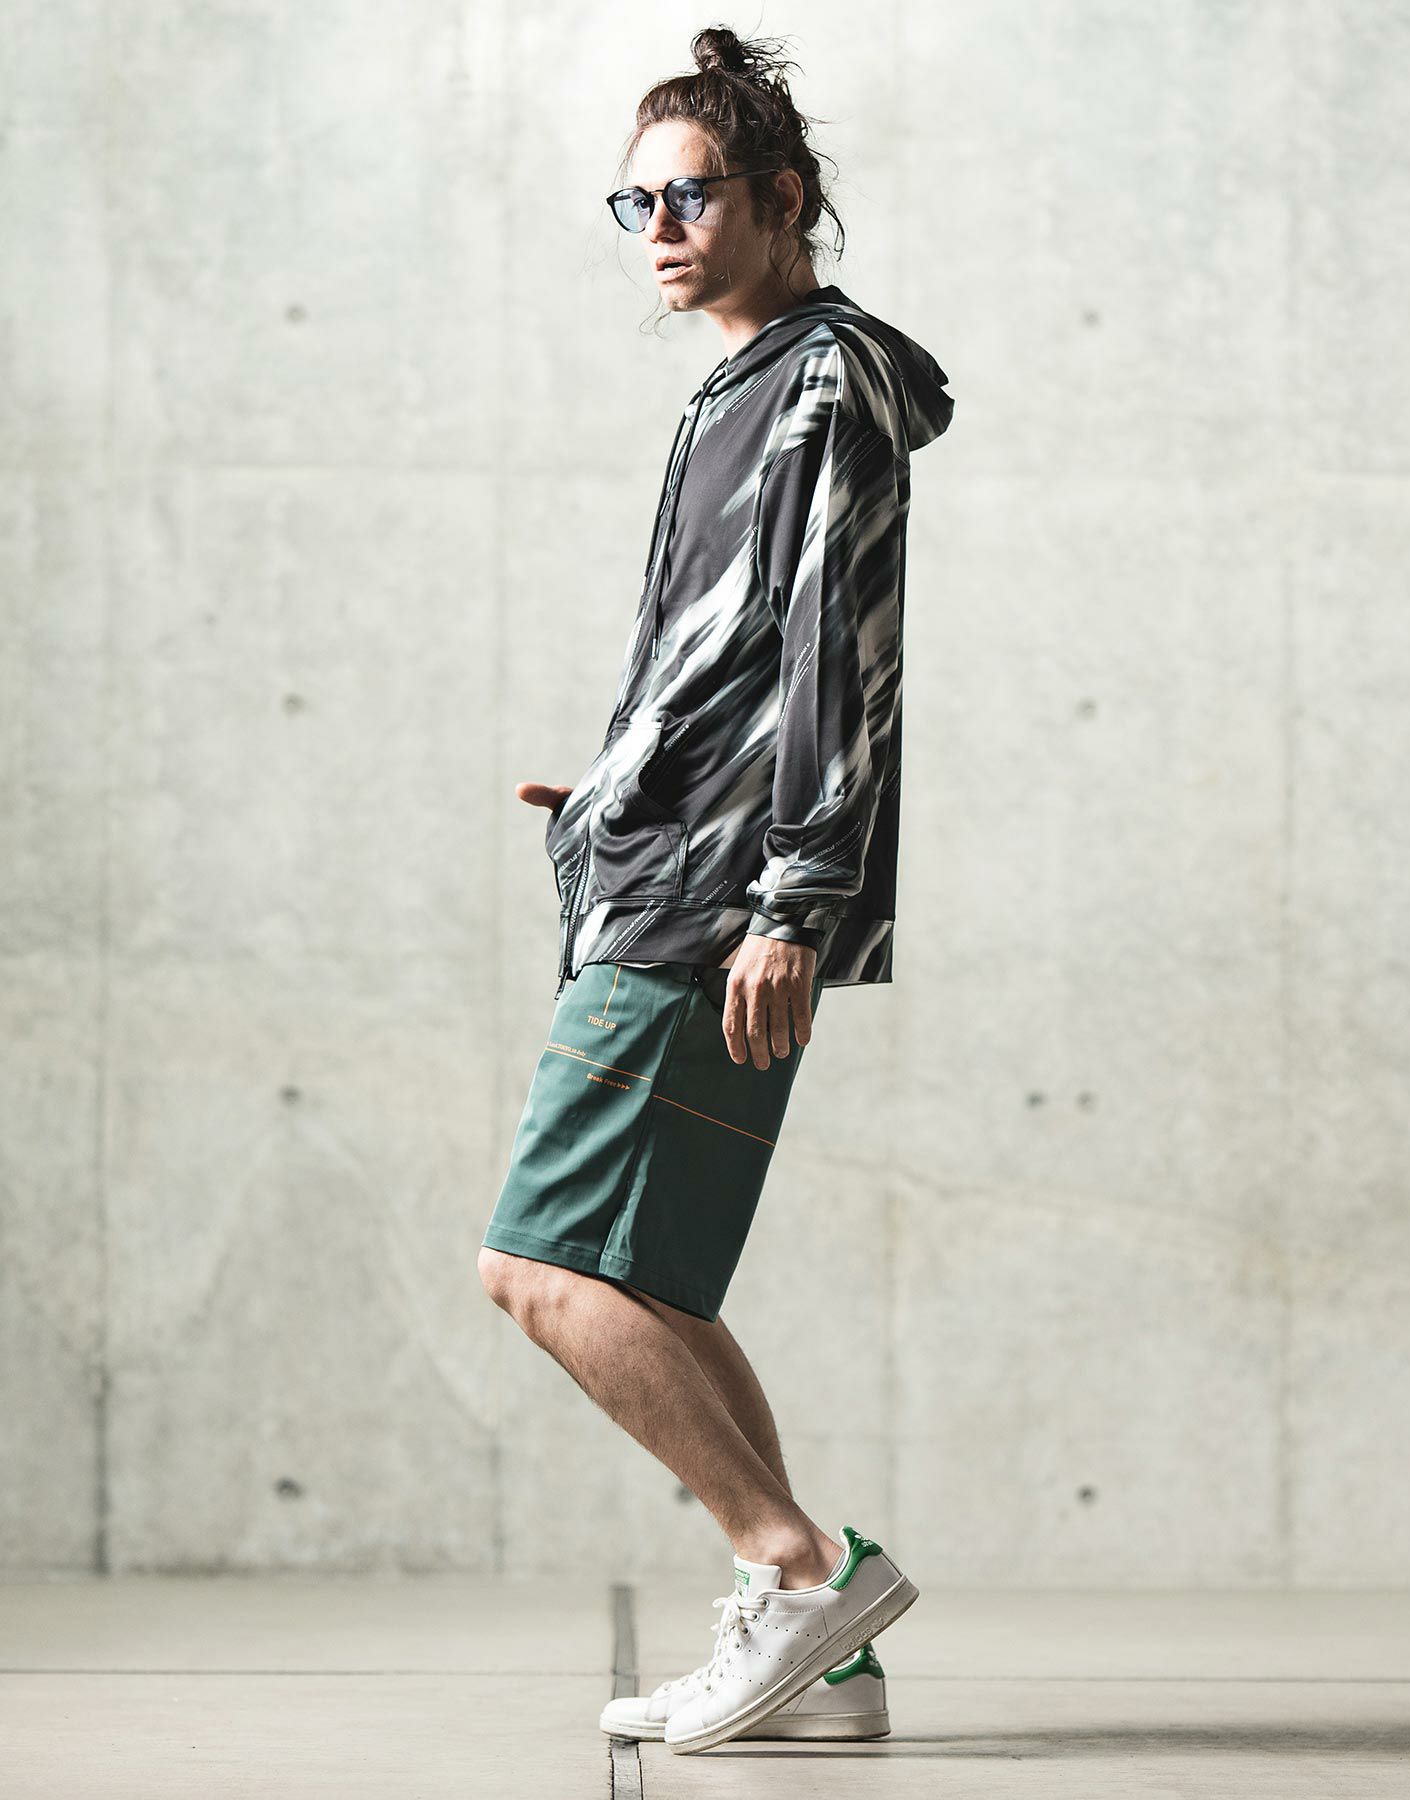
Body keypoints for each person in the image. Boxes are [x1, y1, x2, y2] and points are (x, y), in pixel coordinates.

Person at [476, 26, 954, 1757]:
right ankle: (823, 1648)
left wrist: (791, 900)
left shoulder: (819, 386)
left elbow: (838, 655)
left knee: (538, 1270)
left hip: (715, 902)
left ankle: (800, 1566)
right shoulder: (746, 384)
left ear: (783, 199)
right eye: (638, 204)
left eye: (691, 196)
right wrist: (621, 782)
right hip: (679, 859)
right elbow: (730, 659)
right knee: (660, 1282)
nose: (662, 230)